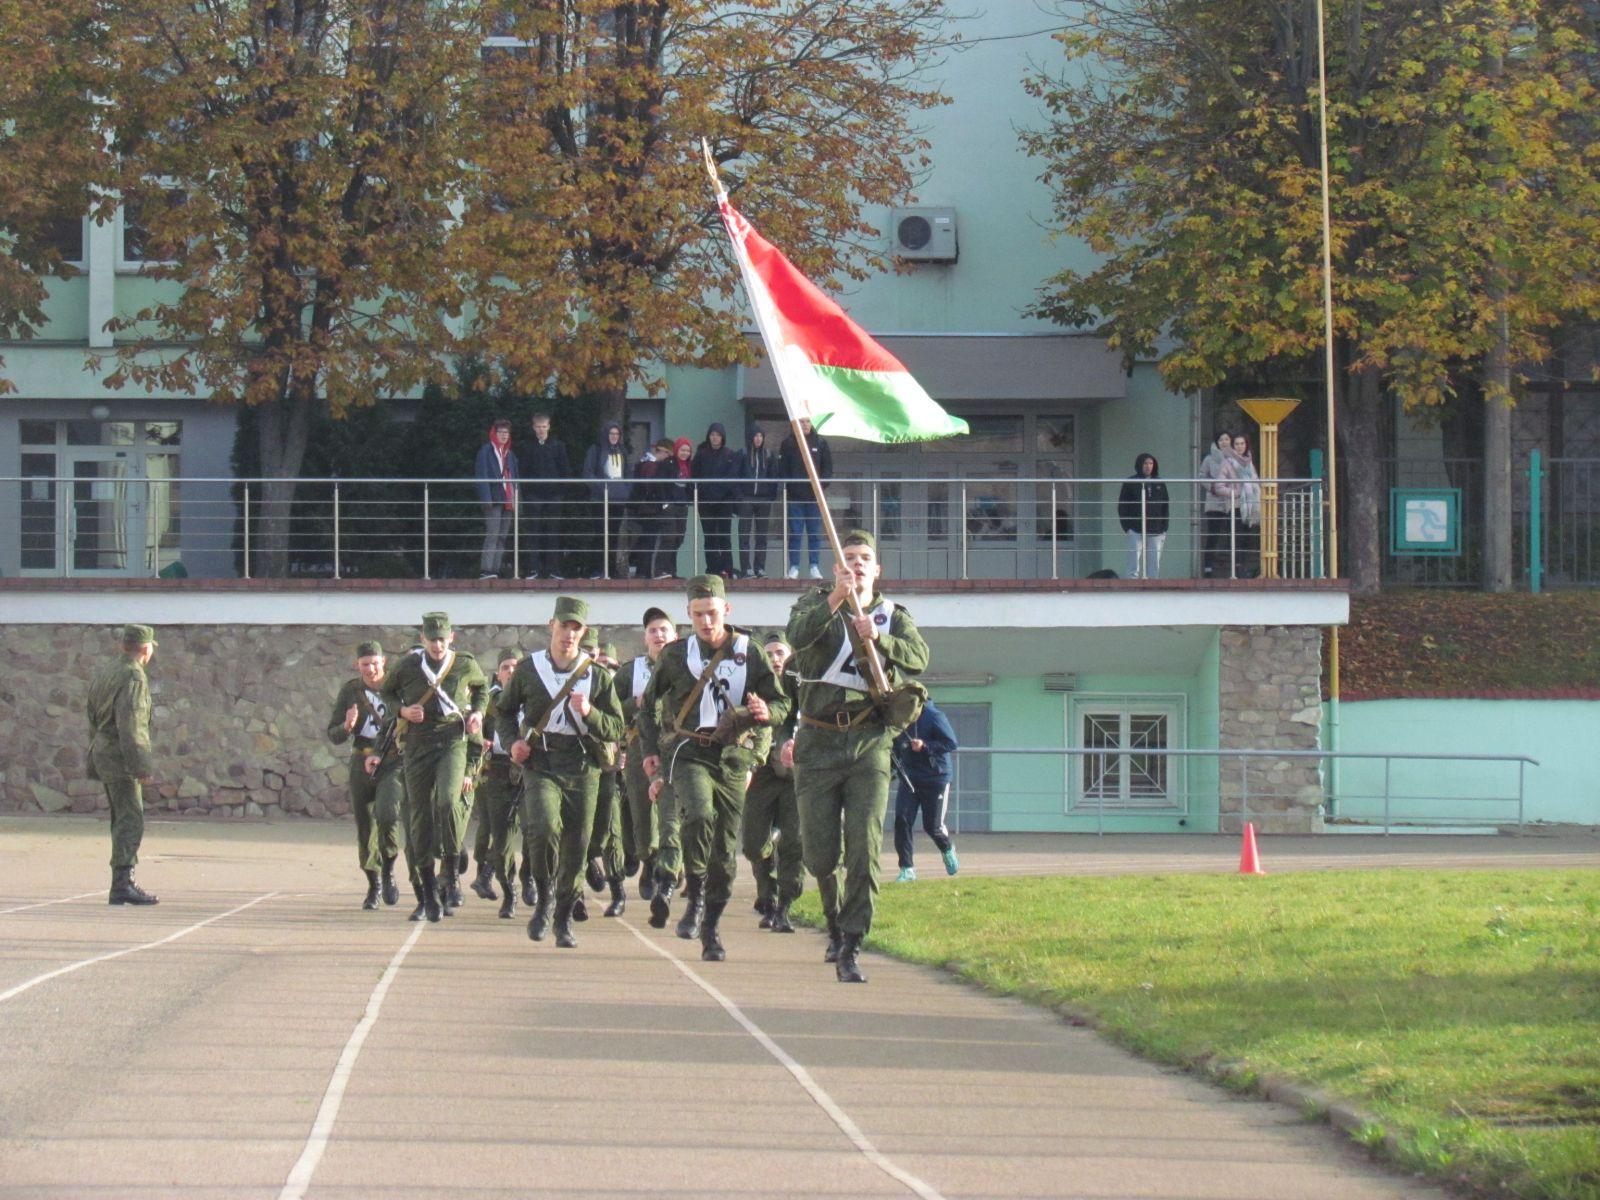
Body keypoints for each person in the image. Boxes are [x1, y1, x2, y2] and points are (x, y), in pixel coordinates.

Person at [787, 529, 929, 983]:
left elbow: (918, 657)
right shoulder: (814, 605)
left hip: (869, 742)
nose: (857, 563)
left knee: (865, 846)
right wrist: (836, 600)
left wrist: (879, 639)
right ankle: (832, 919)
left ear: (878, 567)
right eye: (848, 557)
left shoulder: (892, 615)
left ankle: (851, 942)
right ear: (836, 567)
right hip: (818, 741)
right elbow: (796, 637)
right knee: (821, 856)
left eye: (865, 557)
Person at [638, 575, 789, 962]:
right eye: (698, 614)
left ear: (727, 610)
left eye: (712, 613)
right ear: (689, 615)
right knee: (699, 814)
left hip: (733, 757)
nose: (706, 622)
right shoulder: (674, 656)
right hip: (690, 750)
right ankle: (694, 887)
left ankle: (710, 924)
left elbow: (780, 703)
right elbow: (649, 709)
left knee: (725, 849)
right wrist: (650, 752)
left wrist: (765, 712)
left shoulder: (749, 652)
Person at [497, 596, 627, 948]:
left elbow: (616, 727)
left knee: (577, 842)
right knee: (541, 827)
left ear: (582, 632)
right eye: (563, 626)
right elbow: (504, 712)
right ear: (550, 625)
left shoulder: (596, 675)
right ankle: (544, 896)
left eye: (576, 628)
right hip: (541, 761)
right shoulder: (528, 670)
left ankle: (564, 916)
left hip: (583, 766)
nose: (569, 634)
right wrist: (512, 744)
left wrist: (590, 713)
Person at [380, 612, 488, 923]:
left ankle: (451, 872)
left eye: (443, 639)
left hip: (452, 739)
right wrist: (402, 710)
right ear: (423, 638)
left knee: (447, 800)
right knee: (419, 817)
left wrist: (478, 713)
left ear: (451, 637)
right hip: (418, 743)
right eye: (432, 639)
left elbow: (482, 688)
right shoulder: (409, 665)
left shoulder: (465, 663)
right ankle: (427, 894)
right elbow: (387, 692)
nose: (438, 645)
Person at [326, 640, 405, 910]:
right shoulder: (351, 691)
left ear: (384, 662)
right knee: (365, 826)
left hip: (392, 761)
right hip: (361, 760)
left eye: (374, 663)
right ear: (357, 665)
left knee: (388, 813)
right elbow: (333, 733)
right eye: (364, 665)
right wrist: (347, 726)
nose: (370, 669)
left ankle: (389, 869)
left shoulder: (397, 687)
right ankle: (374, 884)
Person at [86, 623, 161, 906]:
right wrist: (142, 766)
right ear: (145, 648)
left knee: (121, 816)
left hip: (104, 751)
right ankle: (122, 883)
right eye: (152, 646)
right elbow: (132, 726)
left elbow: (91, 715)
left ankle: (122, 882)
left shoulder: (107, 671)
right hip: (120, 757)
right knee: (130, 818)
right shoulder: (133, 677)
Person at [741, 631, 803, 932]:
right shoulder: (755, 688)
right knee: (754, 844)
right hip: (762, 772)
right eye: (769, 654)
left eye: (781, 652)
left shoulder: (803, 686)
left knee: (793, 841)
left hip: (796, 777)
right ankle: (766, 893)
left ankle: (784, 905)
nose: (776, 659)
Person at [620, 607, 678, 901]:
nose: (658, 635)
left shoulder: (687, 666)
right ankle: (648, 859)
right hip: (639, 747)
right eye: (653, 631)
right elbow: (607, 709)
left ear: (675, 635)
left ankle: (671, 861)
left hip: (676, 747)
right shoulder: (631, 672)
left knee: (674, 809)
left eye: (664, 630)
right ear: (645, 638)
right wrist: (634, 703)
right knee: (642, 811)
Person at [578, 632, 630, 917]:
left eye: (591, 651)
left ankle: (618, 891)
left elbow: (623, 722)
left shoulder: (607, 681)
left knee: (611, 830)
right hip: (573, 765)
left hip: (607, 766)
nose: (588, 656)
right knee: (575, 830)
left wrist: (624, 752)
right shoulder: (557, 679)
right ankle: (577, 889)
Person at [475, 647, 529, 919]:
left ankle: (531, 877)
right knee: (503, 834)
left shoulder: (533, 699)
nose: (511, 671)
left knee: (537, 828)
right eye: (506, 667)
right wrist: (480, 742)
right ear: (498, 673)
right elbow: (474, 732)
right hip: (497, 771)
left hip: (529, 771)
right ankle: (509, 892)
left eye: (516, 666)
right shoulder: (489, 702)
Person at [891, 700, 960, 883]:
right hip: (910, 778)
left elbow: (951, 743)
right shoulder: (898, 719)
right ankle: (907, 869)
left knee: (932, 826)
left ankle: (947, 849)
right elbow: (895, 745)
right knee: (902, 820)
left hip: (935, 778)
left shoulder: (934, 716)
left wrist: (925, 746)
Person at [778, 417, 833, 579]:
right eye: (802, 422)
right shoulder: (788, 443)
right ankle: (794, 567)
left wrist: (820, 487)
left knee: (814, 533)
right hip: (795, 498)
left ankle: (814, 566)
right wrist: (791, 487)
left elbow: (827, 469)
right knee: (795, 533)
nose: (805, 425)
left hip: (814, 498)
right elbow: (783, 469)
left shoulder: (821, 443)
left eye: (808, 422)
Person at [522, 412, 572, 580]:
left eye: (544, 426)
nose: (541, 430)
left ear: (549, 426)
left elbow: (565, 470)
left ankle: (554, 570)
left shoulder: (558, 445)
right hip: (533, 496)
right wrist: (527, 493)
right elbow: (523, 471)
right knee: (533, 533)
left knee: (553, 533)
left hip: (554, 496)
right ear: (533, 427)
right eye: (538, 427)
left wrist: (560, 493)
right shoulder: (527, 446)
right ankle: (532, 570)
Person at [582, 420, 631, 579]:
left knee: (614, 535)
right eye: (611, 433)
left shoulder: (622, 451)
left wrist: (626, 489)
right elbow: (588, 473)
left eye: (617, 434)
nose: (614, 437)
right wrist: (601, 488)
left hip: (618, 499)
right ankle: (597, 569)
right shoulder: (595, 450)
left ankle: (611, 568)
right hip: (600, 499)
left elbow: (628, 473)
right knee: (600, 534)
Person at [691, 422, 740, 576]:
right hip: (706, 502)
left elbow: (731, 478)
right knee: (709, 537)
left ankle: (727, 568)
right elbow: (695, 476)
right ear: (708, 436)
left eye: (718, 435)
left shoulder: (729, 454)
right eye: (712, 434)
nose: (715, 438)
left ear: (722, 437)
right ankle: (712, 568)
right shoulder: (701, 454)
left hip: (724, 501)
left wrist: (721, 495)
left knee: (725, 536)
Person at [474, 419, 518, 579]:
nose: (504, 436)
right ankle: (486, 569)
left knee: (502, 536)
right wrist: (486, 499)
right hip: (493, 498)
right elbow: (482, 475)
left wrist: (516, 500)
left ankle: (495, 569)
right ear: (494, 433)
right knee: (492, 533)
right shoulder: (486, 451)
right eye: (501, 432)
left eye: (507, 433)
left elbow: (515, 477)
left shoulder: (510, 454)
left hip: (508, 499)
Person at [629, 439, 677, 580]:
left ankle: (642, 572)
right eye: (667, 453)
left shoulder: (644, 462)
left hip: (644, 506)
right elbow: (652, 486)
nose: (668, 457)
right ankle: (650, 571)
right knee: (654, 538)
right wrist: (662, 502)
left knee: (647, 539)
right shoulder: (652, 465)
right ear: (661, 451)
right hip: (650, 506)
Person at [1117, 453, 1170, 580]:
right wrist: (1127, 527)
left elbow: (1165, 505)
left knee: (1154, 562)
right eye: (1145, 463)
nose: (1148, 466)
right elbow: (1122, 506)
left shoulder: (1159, 482)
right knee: (1133, 559)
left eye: (1151, 463)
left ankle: (1153, 583)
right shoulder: (1131, 482)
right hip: (1135, 527)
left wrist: (1164, 528)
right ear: (1140, 465)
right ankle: (1132, 582)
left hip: (1156, 529)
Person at [736, 424, 778, 578]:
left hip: (763, 500)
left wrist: (770, 496)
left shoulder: (768, 455)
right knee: (744, 536)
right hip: (746, 499)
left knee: (762, 536)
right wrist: (740, 497)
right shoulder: (742, 454)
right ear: (750, 437)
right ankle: (746, 568)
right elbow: (735, 476)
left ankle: (759, 567)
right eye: (755, 435)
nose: (758, 439)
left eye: (760, 436)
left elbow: (774, 476)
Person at [1197, 430, 1240, 579]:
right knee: (1213, 535)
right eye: (1221, 440)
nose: (1224, 442)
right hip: (1214, 501)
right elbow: (1202, 476)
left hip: (1233, 501)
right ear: (1216, 442)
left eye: (1227, 439)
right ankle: (1208, 568)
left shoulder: (1237, 458)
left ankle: (1236, 567)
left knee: (1235, 535)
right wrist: (1213, 487)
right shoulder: (1209, 459)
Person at [1232, 434, 1262, 578]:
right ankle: (1236, 569)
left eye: (1242, 443)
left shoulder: (1249, 462)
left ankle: (1242, 568)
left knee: (1245, 537)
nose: (1239, 446)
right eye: (1237, 444)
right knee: (1235, 537)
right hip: (1235, 503)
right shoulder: (1229, 461)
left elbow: (1254, 479)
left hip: (1249, 504)